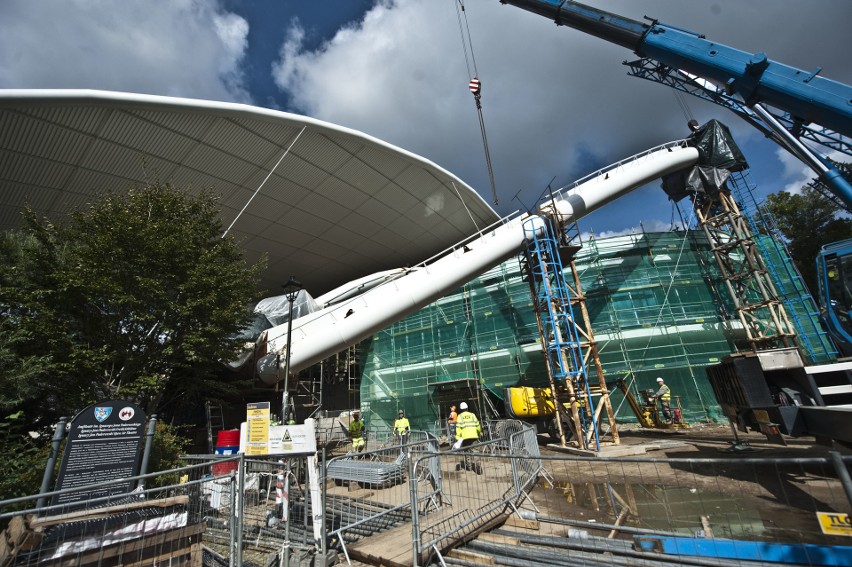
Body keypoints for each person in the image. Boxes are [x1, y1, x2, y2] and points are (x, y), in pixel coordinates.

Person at [454, 402, 482, 474]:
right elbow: (477, 425)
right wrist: (479, 432)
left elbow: (458, 428)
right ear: (467, 408)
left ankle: (469, 467)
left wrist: (458, 439)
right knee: (476, 451)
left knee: (467, 452)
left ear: (461, 409)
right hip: (474, 436)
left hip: (465, 437)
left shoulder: (460, 417)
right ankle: (478, 466)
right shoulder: (472, 415)